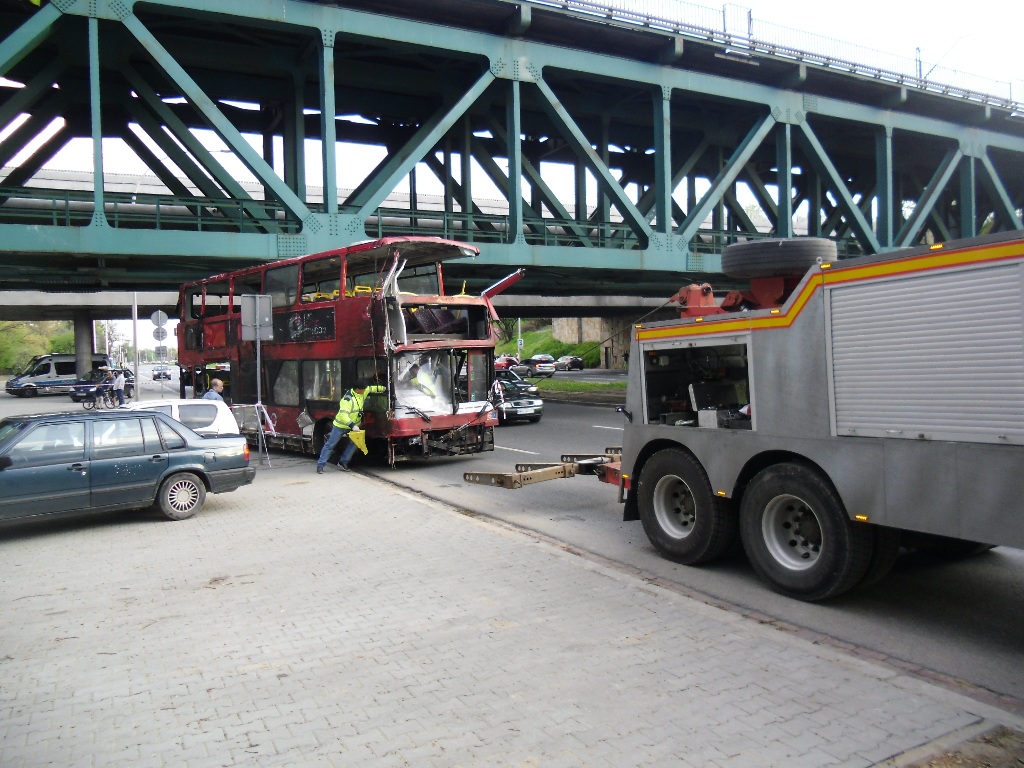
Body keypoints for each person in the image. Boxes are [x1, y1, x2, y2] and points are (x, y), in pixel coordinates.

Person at [316, 378, 386, 474]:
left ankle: (343, 461)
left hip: (353, 425)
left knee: (355, 443)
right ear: (357, 389)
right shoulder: (347, 399)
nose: (365, 391)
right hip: (341, 426)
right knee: (331, 444)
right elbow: (343, 415)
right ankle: (320, 465)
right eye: (363, 389)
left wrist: (384, 388)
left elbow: (371, 389)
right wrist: (352, 425)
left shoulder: (363, 392)